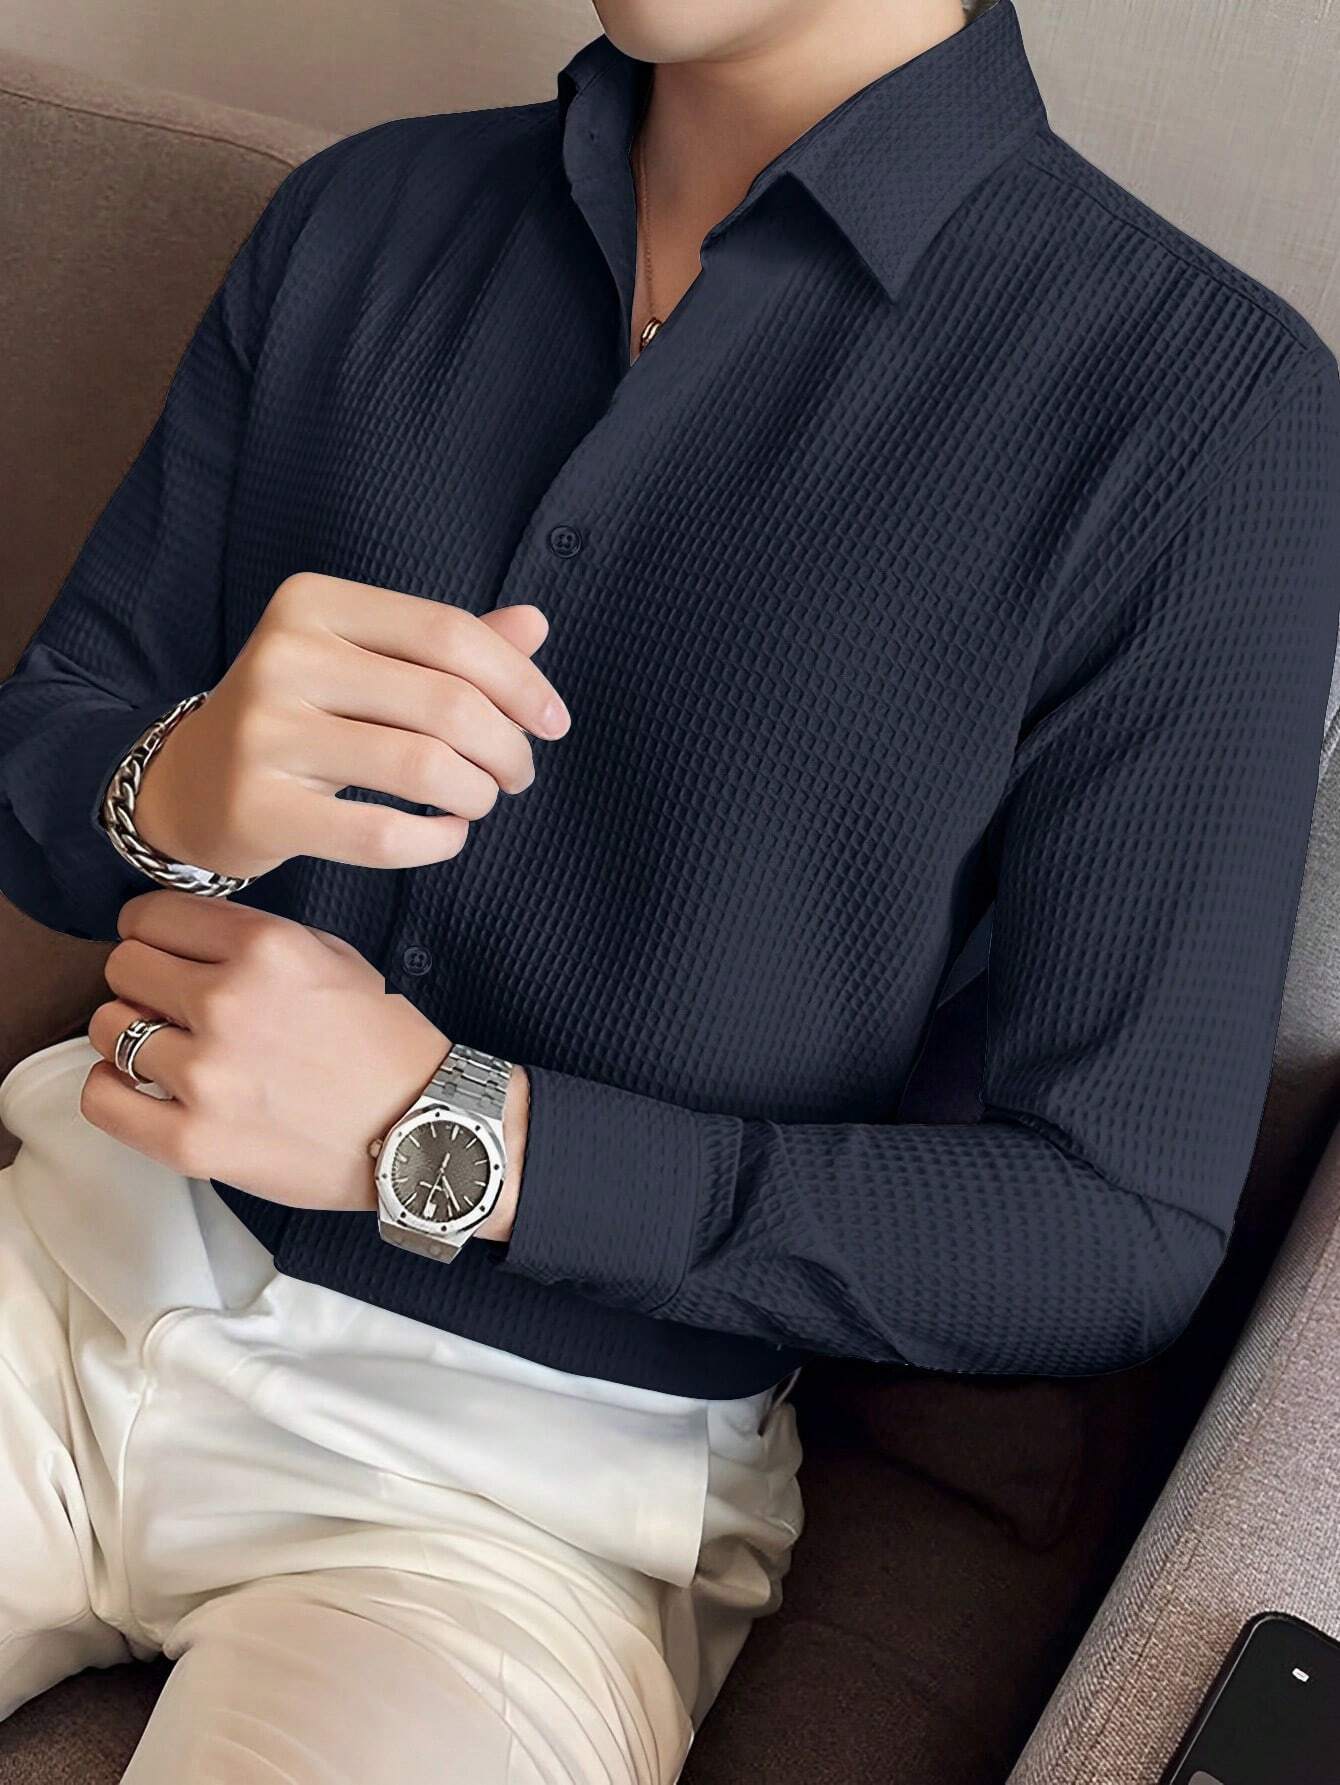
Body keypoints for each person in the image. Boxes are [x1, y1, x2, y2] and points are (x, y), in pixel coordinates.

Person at [1, 0, 1338, 1777]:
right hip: (63, 1259)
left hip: (523, 1505)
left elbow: (1111, 1223)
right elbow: (45, 765)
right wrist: (176, 779)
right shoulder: (368, 213)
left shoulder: (1204, 416)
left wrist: (452, 1132)